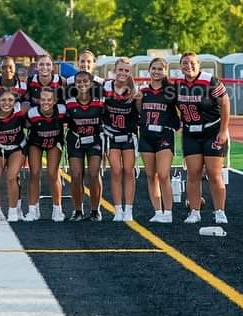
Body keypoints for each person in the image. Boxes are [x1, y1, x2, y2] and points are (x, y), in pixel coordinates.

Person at [176, 52, 230, 224]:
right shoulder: (177, 85)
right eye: (185, 63)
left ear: (198, 64)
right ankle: (194, 211)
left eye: (192, 63)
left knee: (214, 174)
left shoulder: (210, 80)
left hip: (212, 131)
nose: (188, 66)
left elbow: (226, 104)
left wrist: (223, 131)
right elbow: (171, 107)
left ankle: (219, 211)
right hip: (191, 133)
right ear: (180, 66)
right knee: (193, 174)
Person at [136, 57, 179, 224]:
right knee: (150, 176)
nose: (156, 71)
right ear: (149, 70)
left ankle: (168, 212)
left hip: (164, 135)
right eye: (153, 68)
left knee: (163, 174)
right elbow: (140, 111)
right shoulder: (143, 91)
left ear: (165, 71)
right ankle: (158, 211)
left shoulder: (170, 91)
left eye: (160, 69)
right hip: (146, 135)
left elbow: (180, 110)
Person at [102, 57, 139, 222]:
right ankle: (118, 209)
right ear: (114, 70)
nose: (123, 73)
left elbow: (139, 113)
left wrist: (138, 98)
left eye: (126, 70)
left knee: (129, 171)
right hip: (111, 135)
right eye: (120, 69)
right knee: (116, 171)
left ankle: (129, 209)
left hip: (129, 135)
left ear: (130, 73)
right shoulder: (105, 87)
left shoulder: (134, 91)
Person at [65, 71, 105, 222]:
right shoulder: (69, 102)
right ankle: (78, 210)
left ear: (91, 83)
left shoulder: (100, 101)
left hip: (94, 139)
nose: (82, 84)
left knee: (94, 174)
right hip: (76, 139)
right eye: (79, 82)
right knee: (75, 175)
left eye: (85, 81)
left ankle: (95, 210)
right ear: (74, 84)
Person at [0, 88, 28, 222]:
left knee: (11, 177)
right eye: (3, 100)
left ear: (15, 101)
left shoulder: (20, 111)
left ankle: (13, 210)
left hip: (17, 148)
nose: (7, 103)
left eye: (10, 100)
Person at [27, 87, 67, 222]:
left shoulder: (61, 110)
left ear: (54, 101)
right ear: (38, 100)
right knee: (34, 173)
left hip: (55, 142)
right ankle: (33, 209)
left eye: (49, 100)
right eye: (43, 99)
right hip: (36, 142)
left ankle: (57, 209)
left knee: (52, 173)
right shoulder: (32, 113)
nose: (46, 102)